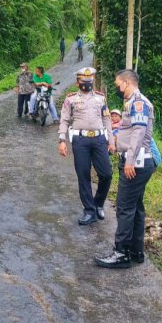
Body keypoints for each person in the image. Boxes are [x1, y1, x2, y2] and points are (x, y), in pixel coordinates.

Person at [94, 69, 155, 268]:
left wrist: (129, 160)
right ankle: (136, 251)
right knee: (136, 208)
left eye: (117, 84)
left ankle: (121, 253)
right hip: (140, 161)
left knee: (124, 208)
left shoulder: (138, 102)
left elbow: (138, 132)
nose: (117, 88)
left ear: (127, 83)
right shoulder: (134, 102)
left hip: (135, 163)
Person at [58, 67, 115, 225]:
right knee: (83, 175)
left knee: (106, 173)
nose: (87, 84)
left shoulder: (100, 98)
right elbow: (64, 120)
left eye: (90, 82)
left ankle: (98, 203)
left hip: (98, 140)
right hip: (80, 140)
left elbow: (106, 120)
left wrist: (111, 141)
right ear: (78, 82)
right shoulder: (70, 99)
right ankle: (89, 211)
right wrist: (62, 140)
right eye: (84, 82)